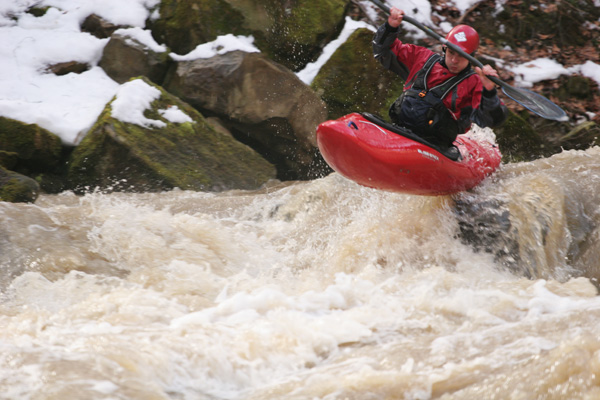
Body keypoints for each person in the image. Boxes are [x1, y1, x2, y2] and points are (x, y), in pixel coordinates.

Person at [373, 7, 508, 154]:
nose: (454, 60)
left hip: (435, 148)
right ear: (444, 48)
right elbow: (382, 52)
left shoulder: (475, 83)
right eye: (451, 53)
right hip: (400, 130)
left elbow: (491, 120)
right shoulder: (421, 57)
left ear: (472, 57)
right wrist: (390, 27)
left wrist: (489, 91)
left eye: (461, 56)